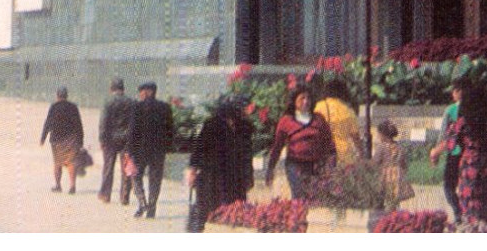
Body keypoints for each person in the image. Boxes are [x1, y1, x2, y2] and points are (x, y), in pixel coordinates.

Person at [429, 79, 487, 227]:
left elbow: (449, 141)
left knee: (470, 209)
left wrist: (434, 152)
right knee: (484, 209)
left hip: (470, 168)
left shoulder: (464, 120)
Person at [186, 95, 255, 232]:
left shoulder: (245, 127)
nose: (243, 111)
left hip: (236, 177)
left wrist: (249, 176)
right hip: (212, 176)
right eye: (240, 108)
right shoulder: (212, 124)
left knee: (235, 212)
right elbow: (200, 148)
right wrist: (192, 171)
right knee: (209, 211)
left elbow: (247, 154)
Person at [265, 88, 336, 200]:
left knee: (316, 198)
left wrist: (330, 166)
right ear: (294, 101)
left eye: (308, 98)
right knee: (299, 197)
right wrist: (270, 169)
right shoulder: (286, 121)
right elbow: (277, 147)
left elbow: (329, 144)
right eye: (302, 98)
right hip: (295, 165)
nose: (306, 101)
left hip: (316, 165)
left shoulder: (319, 119)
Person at [126, 81, 174, 219]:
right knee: (155, 180)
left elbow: (132, 131)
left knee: (135, 176)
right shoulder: (165, 107)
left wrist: (129, 151)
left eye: (142, 91)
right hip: (158, 151)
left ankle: (142, 202)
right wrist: (168, 148)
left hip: (139, 151)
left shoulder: (137, 107)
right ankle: (151, 208)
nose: (140, 94)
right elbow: (170, 130)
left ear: (149, 92)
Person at [430, 81, 465, 224]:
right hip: (472, 156)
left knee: (448, 186)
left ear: (457, 92)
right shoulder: (477, 108)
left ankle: (458, 213)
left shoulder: (451, 110)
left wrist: (435, 153)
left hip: (455, 153)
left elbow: (445, 136)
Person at [97, 77, 135, 205]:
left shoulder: (108, 102)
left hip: (110, 139)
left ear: (111, 88)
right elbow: (134, 122)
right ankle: (124, 196)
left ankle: (106, 195)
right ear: (123, 88)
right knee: (125, 168)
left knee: (108, 167)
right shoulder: (131, 102)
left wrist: (102, 139)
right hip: (126, 139)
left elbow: (103, 122)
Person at [40, 87, 85, 194]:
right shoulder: (73, 107)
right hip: (71, 139)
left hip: (56, 139)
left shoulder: (54, 107)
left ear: (57, 95)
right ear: (66, 95)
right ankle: (72, 186)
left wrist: (43, 138)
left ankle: (58, 185)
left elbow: (47, 123)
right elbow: (79, 124)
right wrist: (81, 140)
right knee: (71, 163)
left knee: (57, 163)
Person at [312, 79, 364, 165]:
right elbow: (356, 137)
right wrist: (361, 154)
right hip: (345, 156)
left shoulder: (319, 107)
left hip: (325, 154)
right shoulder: (348, 110)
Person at [374, 120, 415, 211]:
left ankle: (381, 215)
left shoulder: (381, 147)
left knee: (380, 197)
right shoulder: (400, 147)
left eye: (378, 134)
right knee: (393, 200)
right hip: (398, 177)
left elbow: (375, 162)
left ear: (382, 134)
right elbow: (404, 164)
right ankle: (393, 215)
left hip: (384, 177)